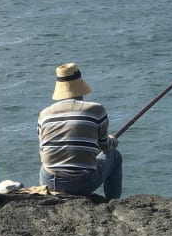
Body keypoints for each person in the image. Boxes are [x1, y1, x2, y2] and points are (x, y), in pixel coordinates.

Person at [38, 62, 123, 199]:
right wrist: (112, 141)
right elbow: (105, 146)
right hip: (79, 184)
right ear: (81, 87)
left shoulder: (44, 114)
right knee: (114, 155)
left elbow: (43, 150)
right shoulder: (96, 110)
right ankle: (113, 201)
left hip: (48, 181)